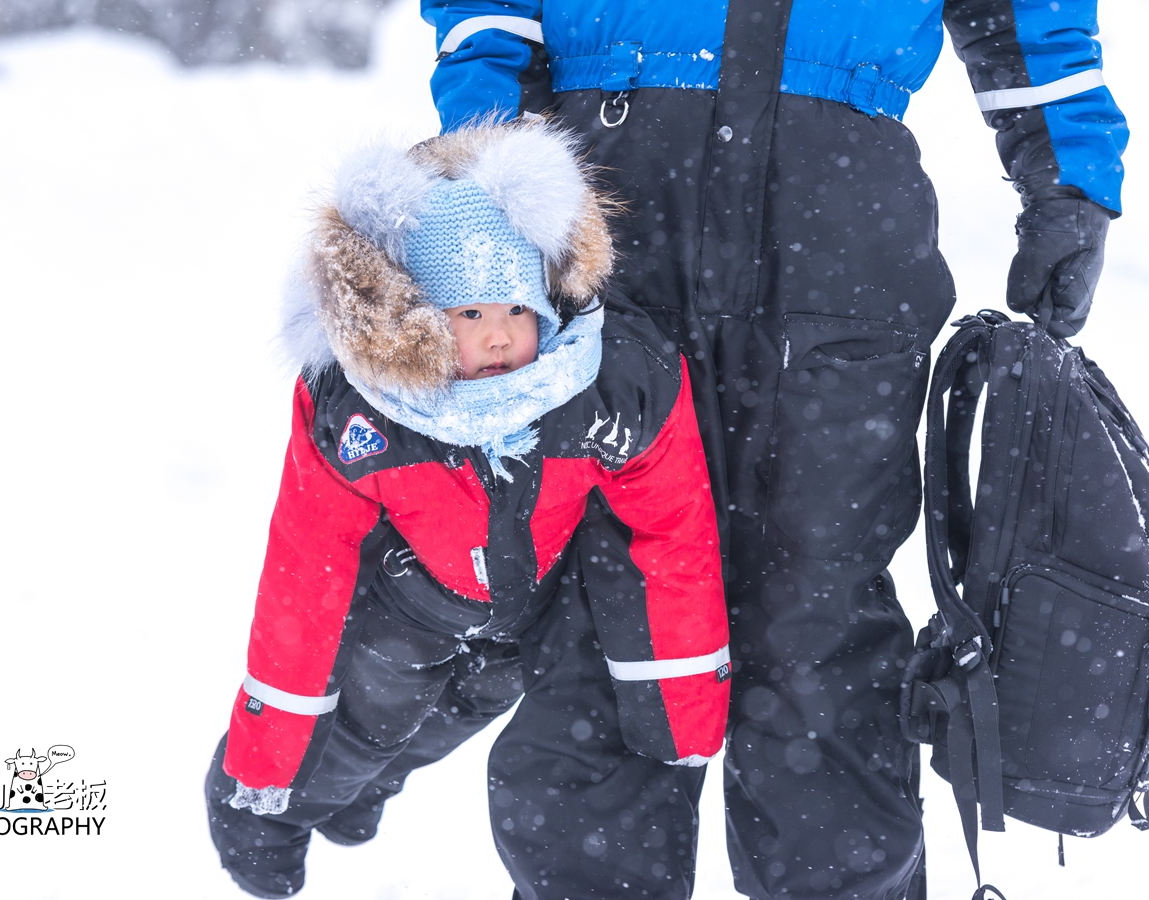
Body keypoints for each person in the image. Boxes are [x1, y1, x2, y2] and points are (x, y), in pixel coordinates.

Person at [418, 2, 1128, 899]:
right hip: (604, 213)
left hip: (835, 224)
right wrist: (493, 145)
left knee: (817, 622)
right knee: (606, 610)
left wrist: (1064, 172)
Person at [204, 119, 731, 898]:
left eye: (515, 311)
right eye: (470, 315)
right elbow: (304, 576)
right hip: (409, 605)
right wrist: (260, 774)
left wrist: (680, 720)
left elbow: (671, 535)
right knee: (367, 728)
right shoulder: (364, 416)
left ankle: (369, 787)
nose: (498, 337)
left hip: (528, 618)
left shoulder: (605, 388)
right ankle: (258, 807)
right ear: (420, 324)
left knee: (437, 732)